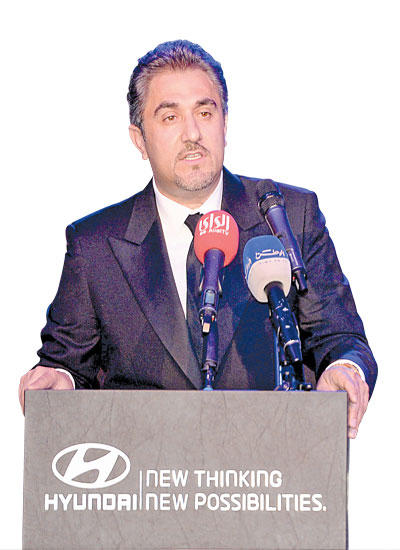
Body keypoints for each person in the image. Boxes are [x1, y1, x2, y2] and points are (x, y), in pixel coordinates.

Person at [19, 40, 377, 438]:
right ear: (139, 139)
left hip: (271, 459)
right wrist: (58, 381)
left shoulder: (288, 216)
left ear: (225, 123)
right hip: (145, 466)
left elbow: (339, 337)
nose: (192, 133)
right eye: (170, 117)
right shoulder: (95, 245)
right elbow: (67, 363)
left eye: (205, 113)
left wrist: (345, 369)